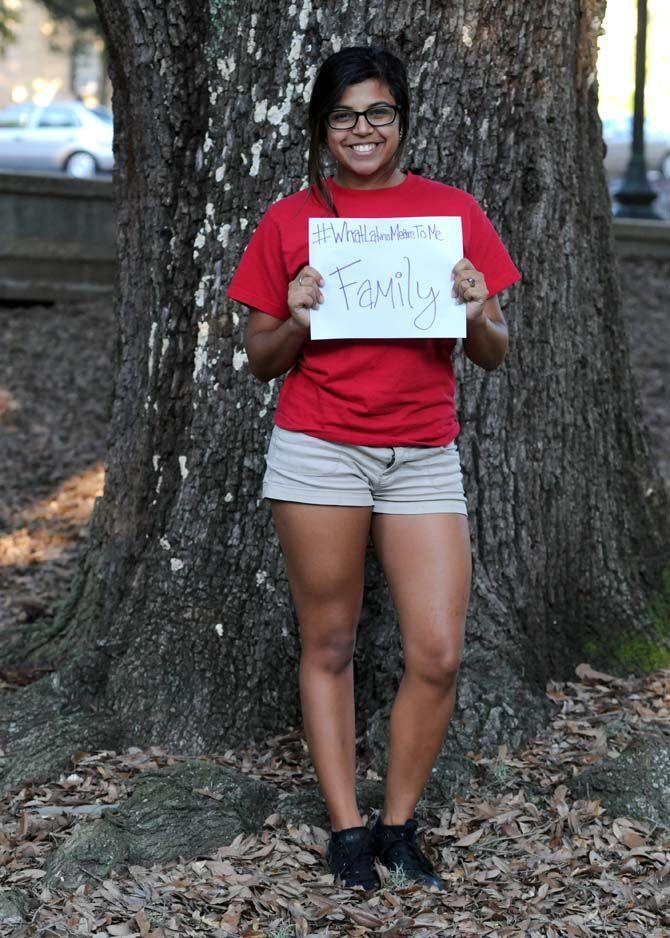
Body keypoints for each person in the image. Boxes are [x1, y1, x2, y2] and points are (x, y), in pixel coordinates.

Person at [227, 45, 521, 892]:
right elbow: (259, 359)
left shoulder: (449, 212)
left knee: (437, 652)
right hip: (319, 448)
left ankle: (400, 824)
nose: (364, 130)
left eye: (379, 113)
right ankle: (347, 831)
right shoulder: (291, 220)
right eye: (346, 116)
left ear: (403, 120)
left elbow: (494, 353)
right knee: (329, 640)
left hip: (422, 453)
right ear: (323, 129)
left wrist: (476, 308)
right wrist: (294, 316)